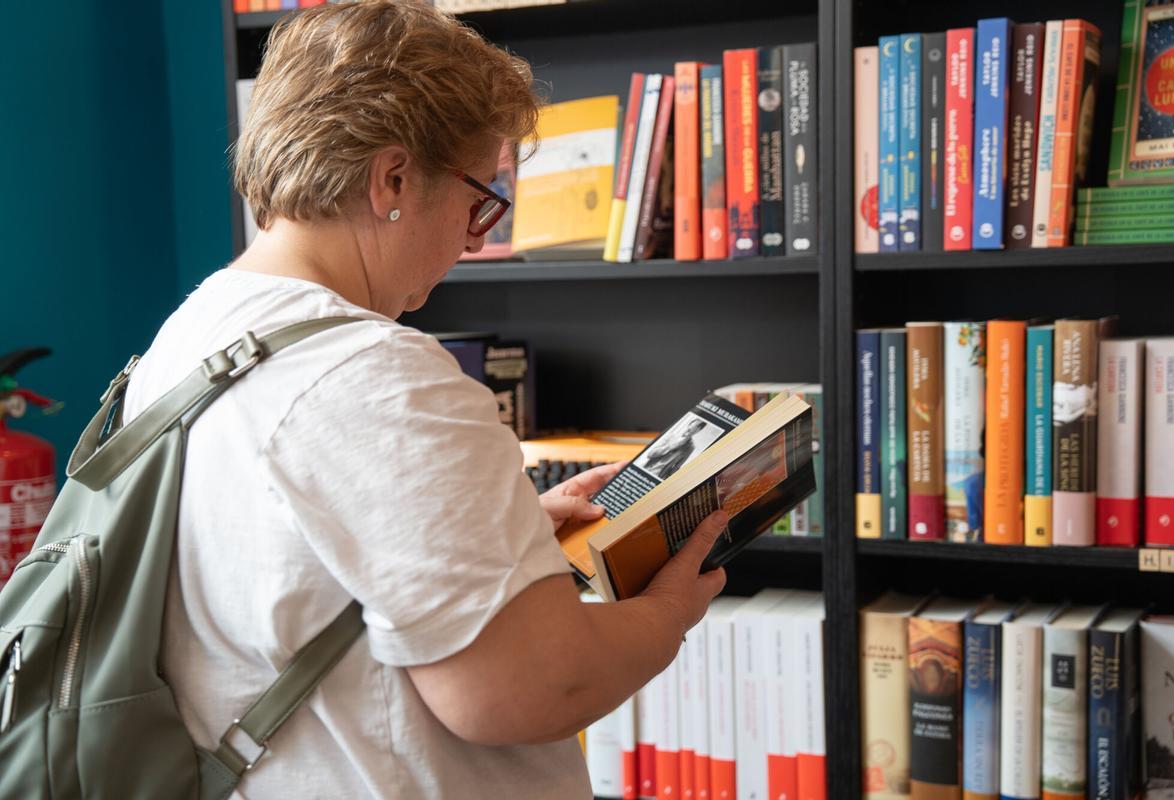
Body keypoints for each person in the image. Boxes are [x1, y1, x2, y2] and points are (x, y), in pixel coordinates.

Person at [121, 2, 726, 797]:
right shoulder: (381, 375)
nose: (476, 239)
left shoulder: (192, 333)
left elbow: (281, 574)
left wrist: (499, 543)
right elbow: (531, 689)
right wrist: (669, 613)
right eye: (479, 199)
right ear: (393, 179)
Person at [641, 417, 707, 480]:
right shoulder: (671, 435)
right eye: (689, 429)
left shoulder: (691, 447)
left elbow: (676, 467)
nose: (689, 432)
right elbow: (650, 454)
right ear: (689, 425)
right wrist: (670, 447)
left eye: (696, 429)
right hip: (645, 469)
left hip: (660, 476)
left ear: (698, 431)